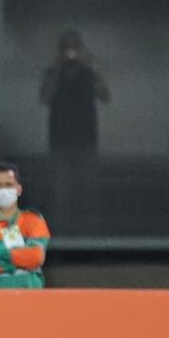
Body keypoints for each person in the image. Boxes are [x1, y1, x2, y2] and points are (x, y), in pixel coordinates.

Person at [39, 30, 110, 215]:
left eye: (75, 48)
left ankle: (87, 232)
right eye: (67, 48)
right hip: (60, 140)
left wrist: (94, 68)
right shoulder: (53, 72)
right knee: (59, 195)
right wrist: (56, 69)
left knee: (87, 193)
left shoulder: (89, 73)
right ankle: (61, 232)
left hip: (86, 139)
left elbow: (105, 96)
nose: (71, 53)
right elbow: (45, 98)